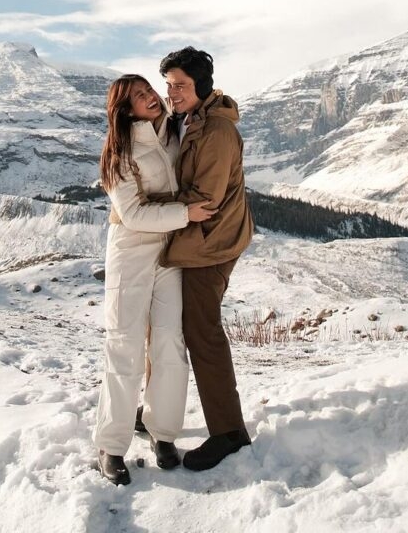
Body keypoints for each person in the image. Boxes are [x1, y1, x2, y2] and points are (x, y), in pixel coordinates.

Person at [94, 74, 217, 486]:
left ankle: (162, 433)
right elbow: (133, 215)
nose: (151, 97)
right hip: (131, 252)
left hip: (170, 253)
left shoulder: (172, 133)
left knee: (169, 343)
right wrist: (187, 214)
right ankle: (111, 447)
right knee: (125, 345)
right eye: (140, 97)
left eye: (150, 90)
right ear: (126, 110)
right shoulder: (118, 152)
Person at [158, 47, 254, 471]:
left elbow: (206, 198)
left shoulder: (215, 131)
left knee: (202, 331)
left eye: (178, 85)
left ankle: (229, 432)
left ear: (201, 85)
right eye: (167, 85)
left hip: (210, 244)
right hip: (202, 240)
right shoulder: (193, 118)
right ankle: (158, 411)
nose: (171, 93)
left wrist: (148, 206)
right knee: (177, 325)